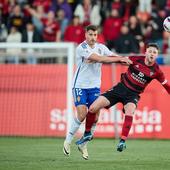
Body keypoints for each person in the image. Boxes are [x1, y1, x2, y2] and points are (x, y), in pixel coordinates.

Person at [76, 43, 170, 153]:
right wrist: (99, 59)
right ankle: (87, 133)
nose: (152, 54)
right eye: (150, 51)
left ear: (157, 55)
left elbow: (166, 86)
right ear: (145, 52)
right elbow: (120, 59)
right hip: (119, 89)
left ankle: (122, 141)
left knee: (130, 111)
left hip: (133, 95)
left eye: (154, 52)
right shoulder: (135, 59)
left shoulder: (157, 71)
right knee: (92, 108)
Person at [63, 25, 132, 160]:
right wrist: (119, 59)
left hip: (94, 87)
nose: (93, 38)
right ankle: (68, 139)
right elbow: (101, 59)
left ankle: (84, 144)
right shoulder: (81, 48)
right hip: (80, 86)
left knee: (94, 116)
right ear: (85, 35)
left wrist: (124, 59)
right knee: (82, 114)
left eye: (95, 35)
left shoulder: (101, 47)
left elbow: (112, 55)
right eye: (90, 35)